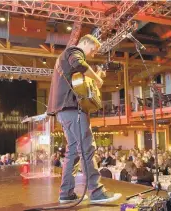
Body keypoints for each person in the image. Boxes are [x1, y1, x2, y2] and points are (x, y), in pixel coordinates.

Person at [47, 34, 121, 204]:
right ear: (85, 43)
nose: (93, 54)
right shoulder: (72, 51)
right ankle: (96, 191)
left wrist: (92, 79)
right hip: (73, 110)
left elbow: (78, 77)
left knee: (73, 153)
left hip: (63, 111)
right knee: (87, 148)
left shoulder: (63, 61)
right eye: (93, 50)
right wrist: (97, 78)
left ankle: (66, 193)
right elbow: (79, 63)